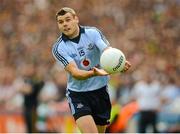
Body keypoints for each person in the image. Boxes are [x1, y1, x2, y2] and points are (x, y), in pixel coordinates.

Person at [52, 7, 131, 133]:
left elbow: (106, 51)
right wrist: (93, 73)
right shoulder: (59, 47)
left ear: (76, 19)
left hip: (100, 92)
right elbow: (75, 72)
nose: (65, 24)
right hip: (78, 95)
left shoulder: (92, 33)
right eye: (61, 22)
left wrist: (119, 63)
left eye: (67, 19)